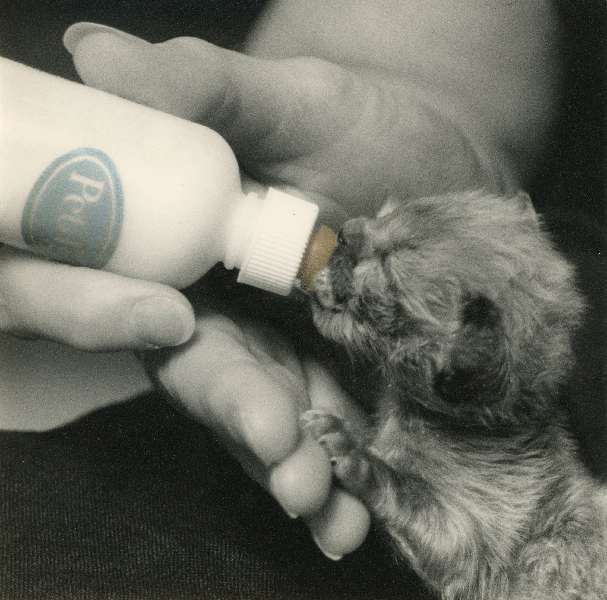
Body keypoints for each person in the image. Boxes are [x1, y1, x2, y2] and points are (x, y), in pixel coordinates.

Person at [4, 1, 601, 598]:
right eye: (389, 216)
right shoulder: (460, 361)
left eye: (385, 264)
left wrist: (380, 480)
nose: (358, 231)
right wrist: (423, 99)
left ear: (457, 372)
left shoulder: (491, 470)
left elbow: (466, 544)